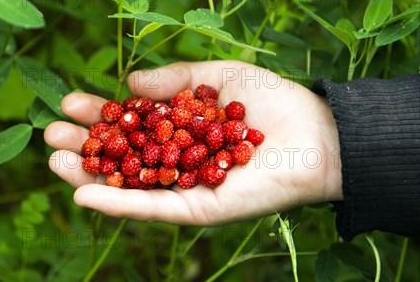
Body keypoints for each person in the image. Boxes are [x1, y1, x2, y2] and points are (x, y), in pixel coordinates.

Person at [44, 61, 420, 241]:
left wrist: (327, 140)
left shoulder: (213, 129)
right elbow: (152, 143)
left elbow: (205, 135)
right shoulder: (156, 135)